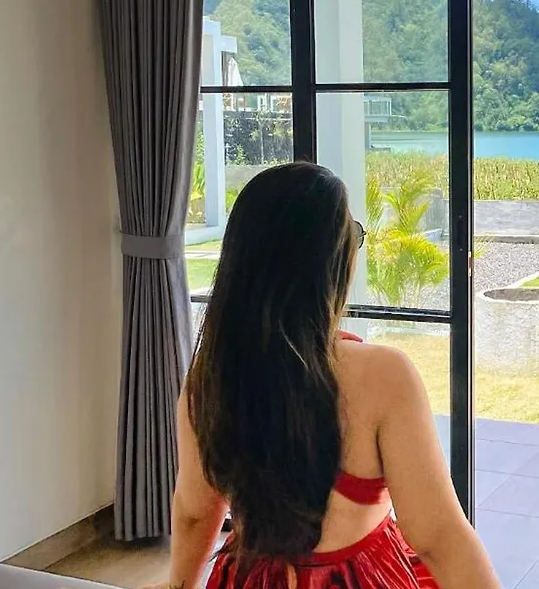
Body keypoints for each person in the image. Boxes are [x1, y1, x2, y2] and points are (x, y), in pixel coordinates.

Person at [150, 163, 499, 589]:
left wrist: (179, 585)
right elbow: (437, 537)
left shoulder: (209, 376)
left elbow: (195, 510)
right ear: (331, 261)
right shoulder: (384, 376)